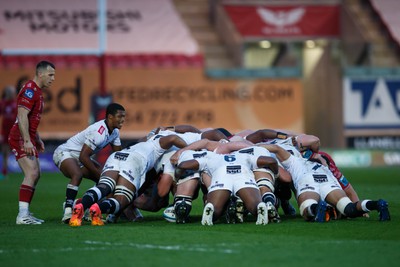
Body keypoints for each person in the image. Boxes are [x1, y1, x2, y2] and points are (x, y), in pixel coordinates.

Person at [69, 132, 188, 227]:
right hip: (134, 160)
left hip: (117, 156)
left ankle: (81, 206)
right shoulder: (157, 144)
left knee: (104, 187)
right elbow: (172, 138)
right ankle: (98, 208)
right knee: (122, 200)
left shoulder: (142, 143)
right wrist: (189, 149)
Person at [259, 143, 391, 222]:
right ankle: (377, 204)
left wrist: (252, 148)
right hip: (327, 179)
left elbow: (275, 148)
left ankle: (318, 208)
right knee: (348, 208)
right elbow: (348, 188)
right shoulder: (324, 161)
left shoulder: (294, 160)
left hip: (308, 181)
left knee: (307, 209)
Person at [53, 103, 126, 223]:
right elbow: (83, 157)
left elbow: (118, 155)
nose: (122, 119)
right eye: (119, 116)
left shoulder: (115, 132)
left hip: (79, 156)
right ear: (110, 117)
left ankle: (83, 206)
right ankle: (67, 212)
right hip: (65, 152)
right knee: (78, 174)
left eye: (124, 116)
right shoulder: (99, 131)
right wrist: (99, 175)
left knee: (105, 179)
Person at [175, 149, 279, 225]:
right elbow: (271, 161)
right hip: (242, 174)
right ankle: (259, 207)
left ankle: (211, 209)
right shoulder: (244, 156)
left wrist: (177, 176)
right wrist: (276, 173)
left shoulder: (210, 158)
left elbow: (183, 165)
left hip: (221, 176)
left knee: (216, 211)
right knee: (253, 206)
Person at [8, 61, 55, 225]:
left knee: (36, 174)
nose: (53, 78)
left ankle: (26, 212)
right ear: (40, 74)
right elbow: (21, 116)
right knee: (32, 173)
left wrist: (37, 138)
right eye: (50, 75)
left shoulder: (38, 92)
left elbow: (30, 119)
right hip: (20, 137)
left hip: (28, 136)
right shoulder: (29, 90)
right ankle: (22, 215)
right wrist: (27, 140)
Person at [0, 85, 17, 179]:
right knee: (5, 153)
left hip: (15, 131)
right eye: (11, 92)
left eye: (14, 92)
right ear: (7, 93)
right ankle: (5, 172)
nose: (13, 94)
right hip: (5, 132)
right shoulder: (2, 103)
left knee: (20, 152)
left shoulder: (16, 103)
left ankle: (27, 172)